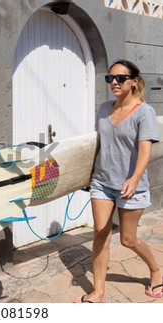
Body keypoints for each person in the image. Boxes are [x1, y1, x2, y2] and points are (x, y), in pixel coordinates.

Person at [76, 60, 161, 302]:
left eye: (121, 78)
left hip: (129, 186)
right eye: (110, 78)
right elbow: (98, 145)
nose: (114, 82)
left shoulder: (144, 112)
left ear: (134, 81)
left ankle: (155, 270)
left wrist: (134, 179)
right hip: (102, 182)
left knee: (128, 239)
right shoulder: (104, 109)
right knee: (100, 234)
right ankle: (99, 291)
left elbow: (145, 150)